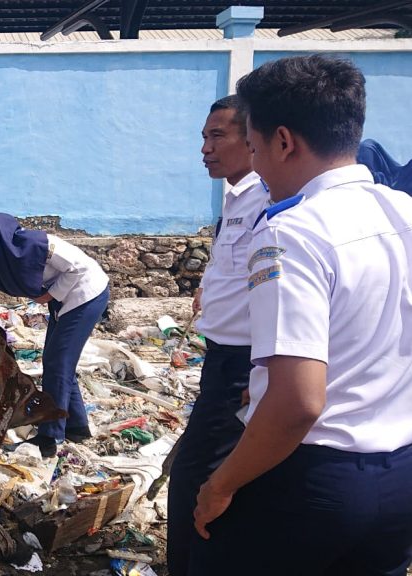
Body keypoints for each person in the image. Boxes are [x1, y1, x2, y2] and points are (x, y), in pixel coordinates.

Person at [191, 55, 412, 575]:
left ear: (283, 142)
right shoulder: (402, 212)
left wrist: (220, 485)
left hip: (313, 481)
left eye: (255, 145)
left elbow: (299, 404)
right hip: (400, 476)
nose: (257, 163)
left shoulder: (291, 234)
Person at [165, 95, 268, 575]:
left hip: (245, 365)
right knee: (210, 471)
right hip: (221, 357)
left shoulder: (270, 200)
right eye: (204, 137)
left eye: (217, 136)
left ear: (254, 140)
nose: (205, 148)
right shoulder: (238, 197)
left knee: (196, 475)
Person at [0, 213, 109, 457]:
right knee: (57, 361)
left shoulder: (37, 246)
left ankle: (50, 437)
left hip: (86, 294)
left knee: (58, 363)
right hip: (65, 300)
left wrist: (48, 296)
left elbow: (79, 268)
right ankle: (77, 427)